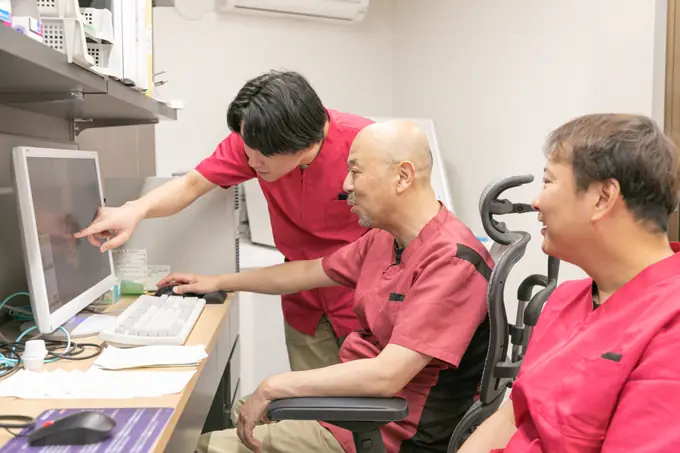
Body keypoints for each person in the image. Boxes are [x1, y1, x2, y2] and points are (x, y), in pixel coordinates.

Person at [160, 120, 493, 453]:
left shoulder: (452, 262)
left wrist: (274, 385)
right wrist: (217, 281)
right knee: (235, 411)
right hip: (361, 406)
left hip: (394, 433)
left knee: (195, 446)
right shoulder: (385, 239)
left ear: (403, 176)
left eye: (356, 171)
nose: (346, 184)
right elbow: (307, 272)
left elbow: (386, 376)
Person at [74, 70, 374, 372]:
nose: (252, 164)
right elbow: (192, 185)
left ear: (300, 143)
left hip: (366, 299)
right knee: (313, 405)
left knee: (372, 407)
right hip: (303, 301)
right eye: (247, 152)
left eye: (261, 156)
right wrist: (134, 210)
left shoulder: (366, 147)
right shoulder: (256, 140)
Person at [457, 113, 680, 453]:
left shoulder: (670, 326)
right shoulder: (566, 299)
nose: (535, 202)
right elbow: (512, 415)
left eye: (547, 182)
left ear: (603, 198)